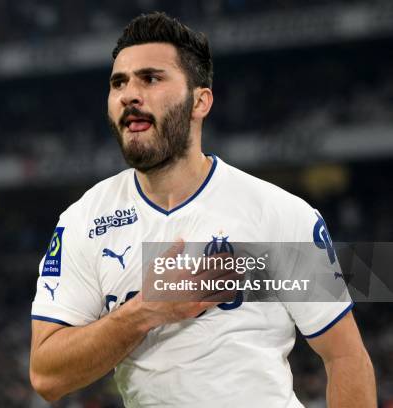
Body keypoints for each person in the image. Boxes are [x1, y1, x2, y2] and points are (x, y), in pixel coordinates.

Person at [29, 12, 376, 407]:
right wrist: (144, 311)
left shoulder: (278, 214)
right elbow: (46, 375)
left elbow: (345, 356)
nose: (129, 94)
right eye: (118, 82)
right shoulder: (83, 222)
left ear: (200, 101)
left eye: (151, 78)